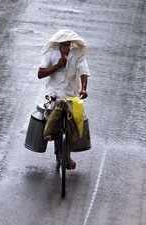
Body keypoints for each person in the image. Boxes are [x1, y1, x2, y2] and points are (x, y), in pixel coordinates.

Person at [37, 29, 90, 170]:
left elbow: (84, 72)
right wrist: (57, 66)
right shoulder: (50, 54)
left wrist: (83, 89)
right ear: (58, 45)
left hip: (71, 95)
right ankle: (51, 138)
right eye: (63, 45)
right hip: (53, 94)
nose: (66, 47)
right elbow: (40, 74)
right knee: (51, 119)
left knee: (76, 121)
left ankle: (66, 154)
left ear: (71, 45)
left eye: (68, 44)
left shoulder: (78, 55)